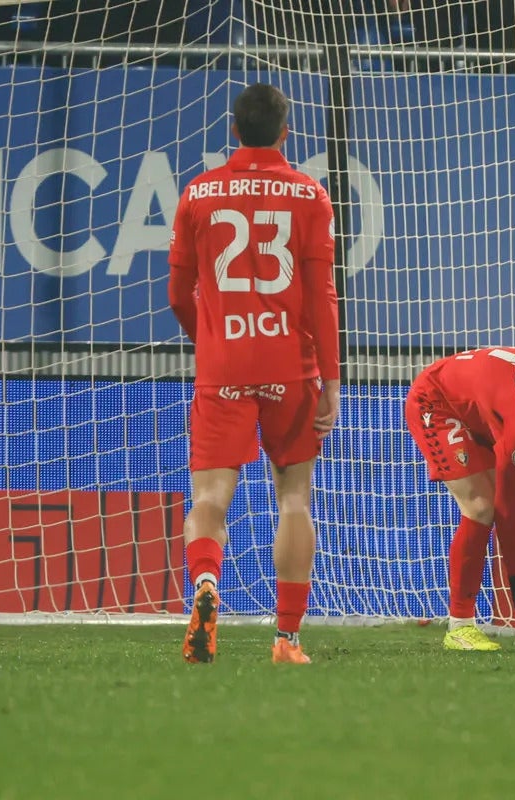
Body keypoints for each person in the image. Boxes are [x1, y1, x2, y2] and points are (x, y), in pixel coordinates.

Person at [168, 84, 340, 665]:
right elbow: (321, 298)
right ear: (285, 132)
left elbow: (176, 294)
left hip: (225, 364)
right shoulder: (310, 194)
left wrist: (213, 340)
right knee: (294, 498)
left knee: (210, 497)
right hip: (289, 366)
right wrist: (332, 380)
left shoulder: (199, 192)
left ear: (234, 131)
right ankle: (287, 639)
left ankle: (206, 586)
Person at [404, 346, 515, 652]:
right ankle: (459, 626)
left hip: (480, 407)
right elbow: (506, 514)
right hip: (437, 401)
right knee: (482, 507)